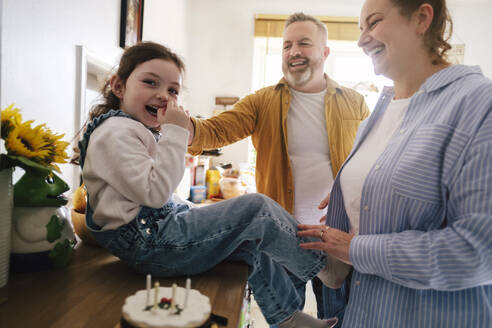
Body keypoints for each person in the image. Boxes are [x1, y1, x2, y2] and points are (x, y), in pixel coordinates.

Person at [73, 41, 339, 328]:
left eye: (172, 90)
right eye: (150, 82)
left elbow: (159, 198)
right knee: (257, 209)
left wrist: (198, 212)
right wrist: (175, 130)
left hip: (152, 238)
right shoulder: (115, 132)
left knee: (250, 242)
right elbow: (155, 193)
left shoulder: (129, 129)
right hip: (149, 245)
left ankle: (288, 319)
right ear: (118, 86)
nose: (163, 95)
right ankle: (324, 267)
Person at [298, 0, 492, 327]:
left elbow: (478, 252)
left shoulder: (478, 104)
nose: (361, 40)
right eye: (361, 28)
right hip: (360, 312)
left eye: (373, 23)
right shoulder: (381, 111)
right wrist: (357, 193)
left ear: (422, 18)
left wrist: (356, 249)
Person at [187, 13, 370, 323]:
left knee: (340, 317)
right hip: (284, 237)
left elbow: (370, 163)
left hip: (336, 235)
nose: (293, 51)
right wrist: (184, 127)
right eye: (287, 45)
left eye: (303, 43)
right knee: (289, 319)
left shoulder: (354, 102)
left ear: (325, 52)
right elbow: (216, 130)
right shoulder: (262, 102)